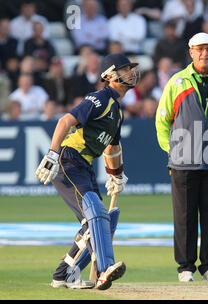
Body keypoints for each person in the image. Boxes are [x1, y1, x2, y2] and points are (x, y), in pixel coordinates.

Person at [35, 53, 139, 290]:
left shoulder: (118, 112)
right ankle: (105, 269)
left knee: (100, 222)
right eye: (125, 69)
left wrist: (117, 174)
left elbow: (112, 147)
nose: (131, 73)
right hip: (69, 160)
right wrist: (52, 154)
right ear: (109, 75)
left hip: (85, 166)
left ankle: (64, 275)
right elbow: (64, 121)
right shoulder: (99, 98)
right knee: (95, 212)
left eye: (131, 69)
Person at [155, 32, 208, 282]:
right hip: (183, 161)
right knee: (185, 217)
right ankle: (186, 268)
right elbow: (162, 121)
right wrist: (173, 151)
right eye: (200, 49)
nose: (205, 53)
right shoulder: (177, 82)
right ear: (191, 52)